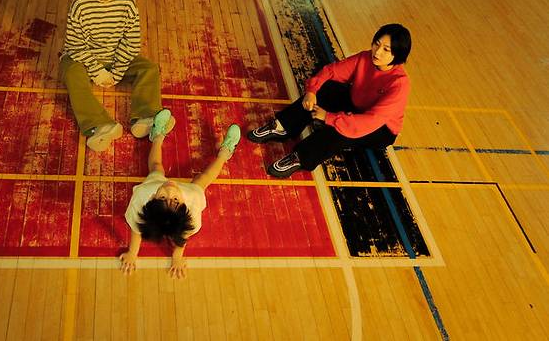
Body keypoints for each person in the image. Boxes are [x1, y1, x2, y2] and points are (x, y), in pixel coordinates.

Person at [248, 23, 412, 178]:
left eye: (386, 50)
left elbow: (368, 122)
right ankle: (284, 127)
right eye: (377, 44)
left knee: (340, 131)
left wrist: (329, 117)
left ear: (397, 55)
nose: (377, 52)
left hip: (379, 129)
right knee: (328, 87)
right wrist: (312, 91)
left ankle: (302, 157)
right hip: (357, 105)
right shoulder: (366, 58)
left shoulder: (399, 85)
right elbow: (332, 71)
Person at [60, 0, 170, 152]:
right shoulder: (80, 5)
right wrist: (97, 72)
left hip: (115, 57)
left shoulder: (127, 2)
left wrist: (117, 72)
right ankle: (100, 125)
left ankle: (146, 116)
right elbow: (75, 45)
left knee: (149, 69)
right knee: (70, 72)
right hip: (86, 58)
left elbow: (132, 42)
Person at [119, 109, 241, 279]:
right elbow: (182, 236)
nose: (170, 190)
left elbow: (137, 227)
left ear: (152, 200)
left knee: (155, 166)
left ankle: (157, 135)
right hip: (189, 193)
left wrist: (132, 253)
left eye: (162, 198)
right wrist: (177, 258)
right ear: (183, 207)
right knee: (203, 179)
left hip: (156, 186)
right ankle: (225, 153)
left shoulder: (143, 195)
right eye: (175, 200)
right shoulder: (191, 209)